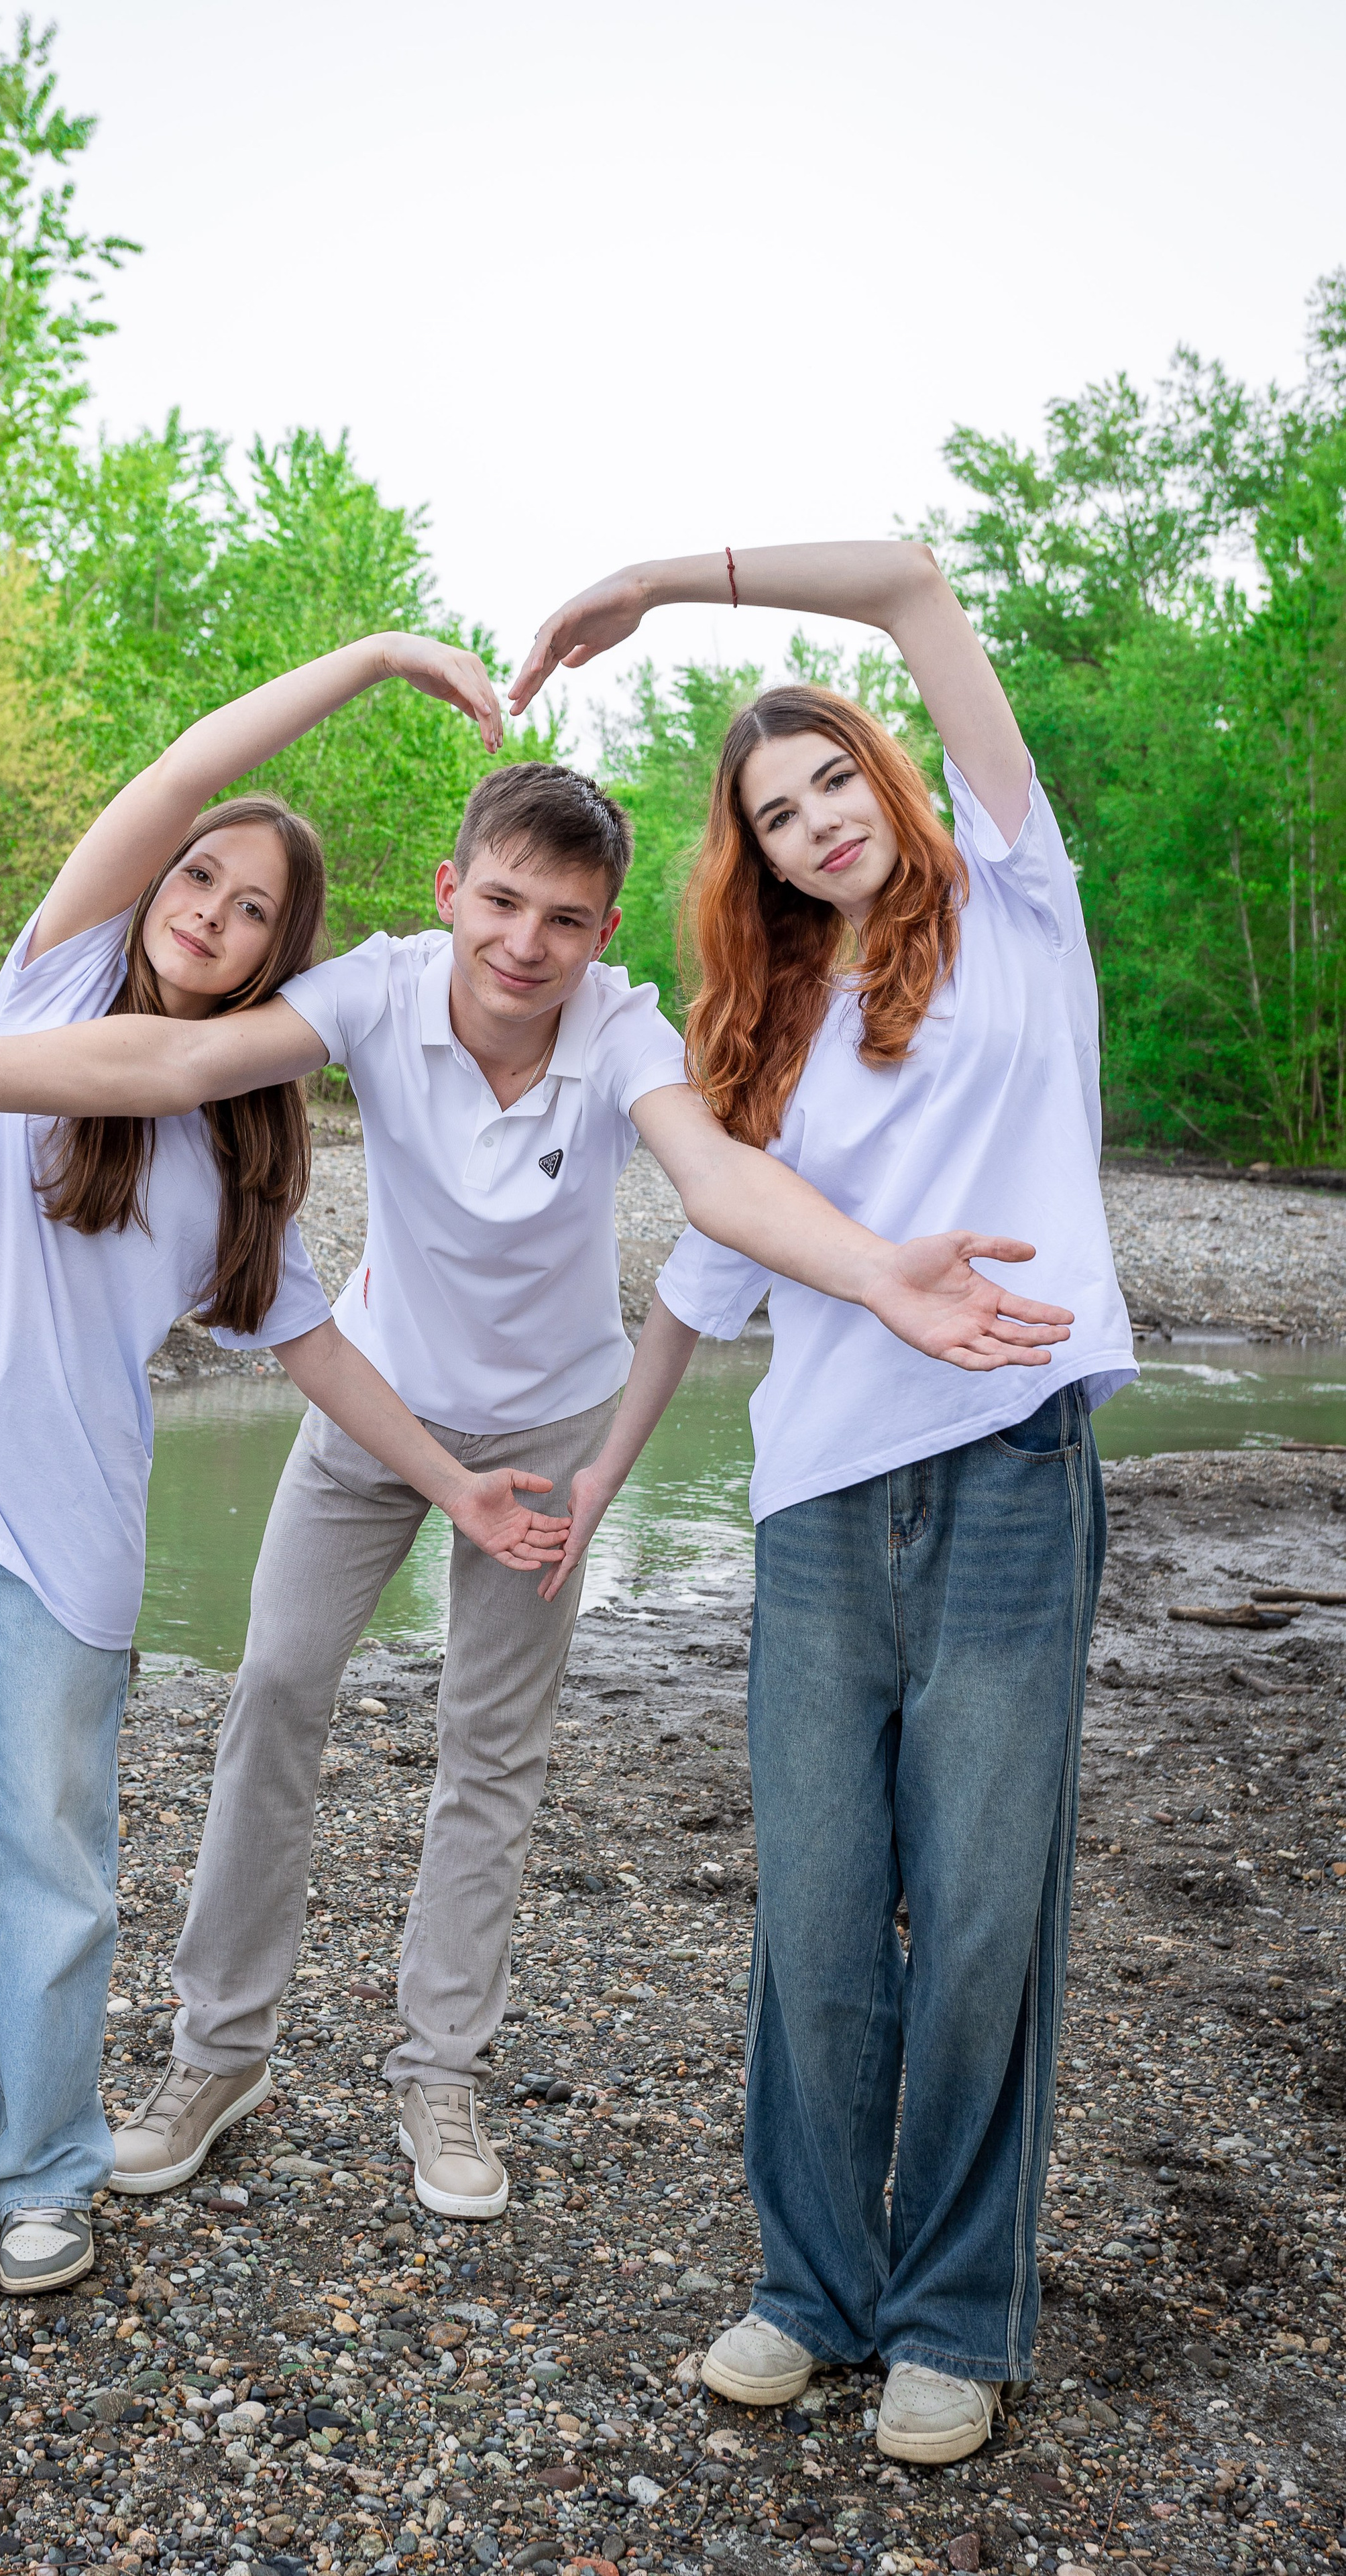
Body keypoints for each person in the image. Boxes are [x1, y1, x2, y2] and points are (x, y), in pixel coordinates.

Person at [0, 660, 1072, 2239]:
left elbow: (708, 1177)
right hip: (375, 1420)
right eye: (499, 904)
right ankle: (215, 2060)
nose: (523, 945)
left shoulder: (620, 1031)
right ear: (449, 891)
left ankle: (439, 2073)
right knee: (271, 1695)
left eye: (563, 921)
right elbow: (169, 1057)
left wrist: (862, 1266)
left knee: (490, 1756)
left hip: (552, 1427)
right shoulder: (366, 988)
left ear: (602, 934)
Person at [0, 632, 583, 2304]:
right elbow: (188, 766)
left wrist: (454, 1486)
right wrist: (371, 661)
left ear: (283, 949)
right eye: (197, 876)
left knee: (55, 1857)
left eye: (253, 905)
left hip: (72, 1540)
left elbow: (316, 1352)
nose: (208, 903)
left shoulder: (235, 1140)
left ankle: (48, 2165)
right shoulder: (45, 981)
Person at [508, 539, 1134, 2461]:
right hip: (818, 1511)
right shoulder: (759, 1033)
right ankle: (808, 2284)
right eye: (774, 817)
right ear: (758, 859)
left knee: (976, 1918)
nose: (812, 825)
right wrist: (596, 1488)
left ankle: (952, 2311)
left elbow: (918, 582)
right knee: (817, 1909)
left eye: (832, 780)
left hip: (1017, 1474)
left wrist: (660, 584)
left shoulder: (1026, 903)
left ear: (892, 771)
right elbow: (702, 1293)